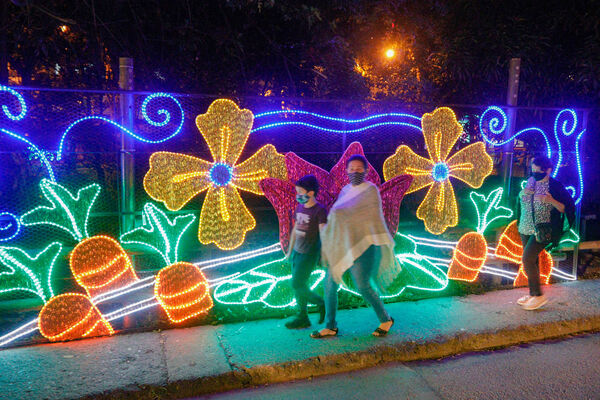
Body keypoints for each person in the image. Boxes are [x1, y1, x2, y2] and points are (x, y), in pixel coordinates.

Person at [311, 155, 398, 338]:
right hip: (342, 245)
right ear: (347, 171)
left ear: (365, 171)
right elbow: (340, 216)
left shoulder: (370, 190)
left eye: (359, 169)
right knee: (329, 285)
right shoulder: (345, 191)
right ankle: (330, 326)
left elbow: (363, 216)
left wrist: (339, 216)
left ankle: (386, 319)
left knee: (363, 286)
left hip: (364, 245)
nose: (355, 171)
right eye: (351, 168)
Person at [516, 155, 575, 310]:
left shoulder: (554, 186)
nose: (534, 173)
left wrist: (550, 201)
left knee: (527, 259)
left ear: (548, 170)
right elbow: (522, 201)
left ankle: (538, 295)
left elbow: (567, 207)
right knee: (532, 261)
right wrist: (521, 194)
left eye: (538, 171)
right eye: (532, 170)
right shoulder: (531, 182)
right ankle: (532, 294)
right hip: (525, 227)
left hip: (542, 229)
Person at [284, 175, 327, 329]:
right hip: (296, 252)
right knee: (299, 284)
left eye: (301, 192)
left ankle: (321, 303)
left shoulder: (320, 210)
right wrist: (290, 251)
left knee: (296, 283)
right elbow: (295, 229)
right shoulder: (300, 207)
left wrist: (323, 255)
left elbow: (323, 234)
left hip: (308, 254)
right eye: (297, 192)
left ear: (311, 192)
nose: (298, 195)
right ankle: (302, 317)